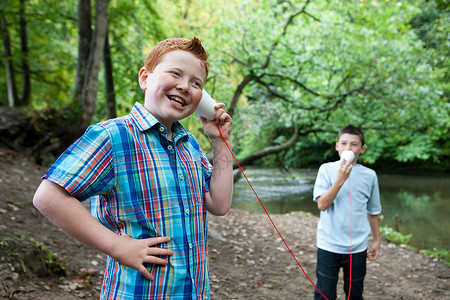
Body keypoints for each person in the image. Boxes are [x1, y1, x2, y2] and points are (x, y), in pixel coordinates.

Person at [33, 37, 233, 299]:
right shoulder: (113, 136)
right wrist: (117, 246)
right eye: (175, 73)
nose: (185, 86)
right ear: (145, 78)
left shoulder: (189, 145)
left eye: (197, 83)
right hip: (138, 292)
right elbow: (47, 197)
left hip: (192, 292)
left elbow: (218, 204)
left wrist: (221, 143)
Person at [312, 125, 381, 300]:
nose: (348, 148)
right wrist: (340, 180)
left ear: (362, 149)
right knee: (324, 294)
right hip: (328, 245)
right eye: (344, 143)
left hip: (357, 248)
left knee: (354, 294)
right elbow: (322, 205)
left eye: (354, 144)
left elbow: (373, 211)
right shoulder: (326, 169)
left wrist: (377, 240)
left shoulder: (370, 175)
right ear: (337, 146)